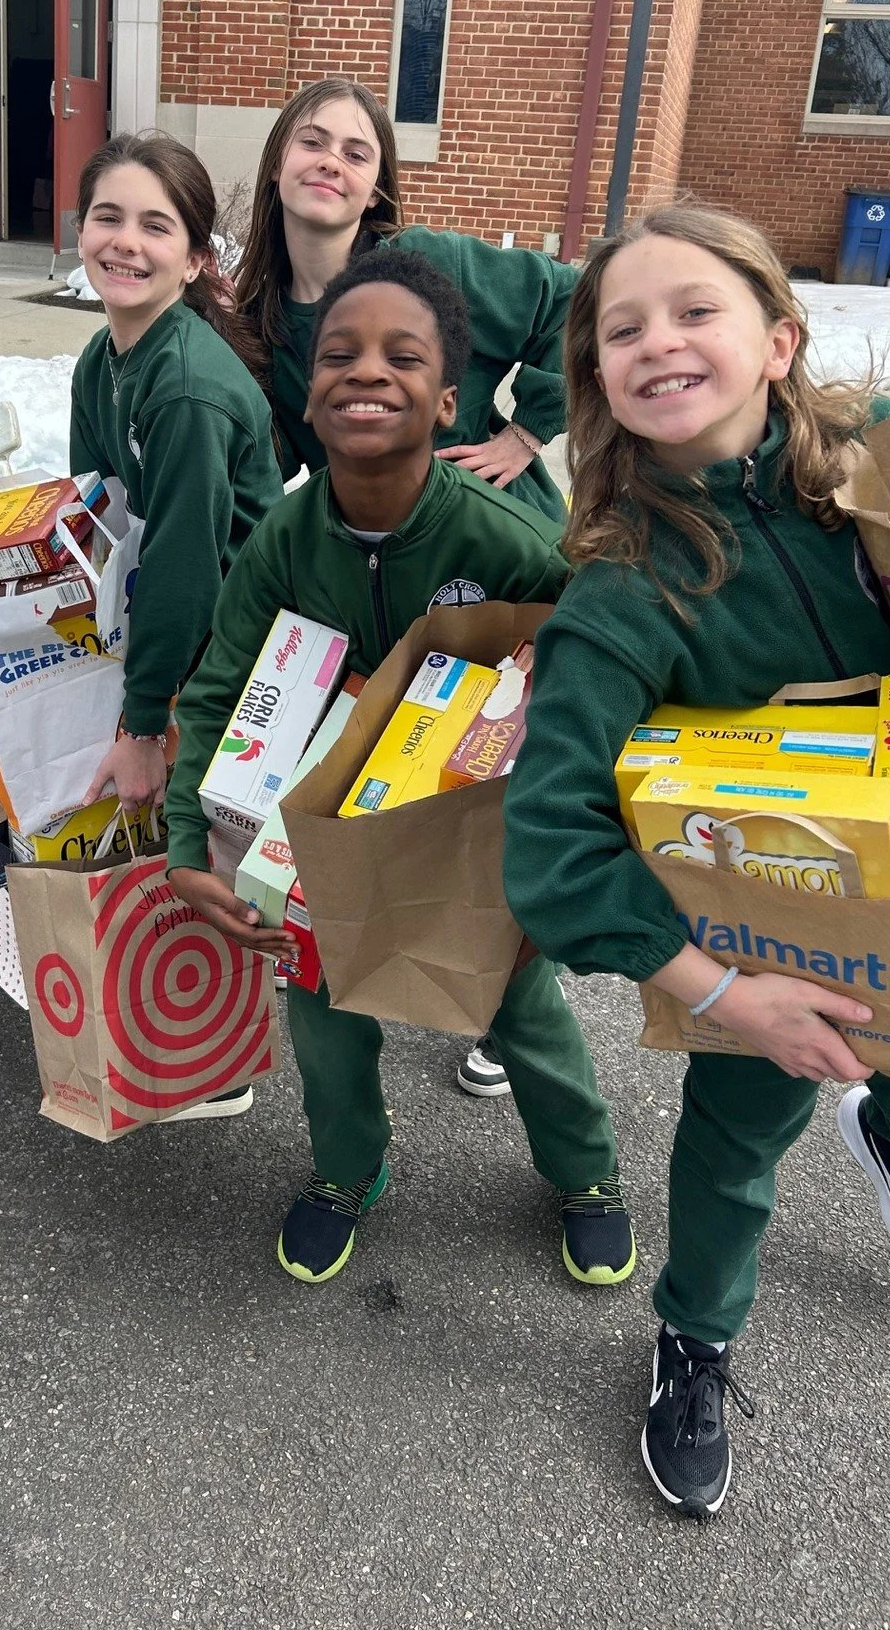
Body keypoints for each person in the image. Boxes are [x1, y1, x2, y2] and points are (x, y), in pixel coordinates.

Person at [502, 203, 890, 1519]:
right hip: (771, 940)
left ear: (778, 339)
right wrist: (723, 993)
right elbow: (550, 850)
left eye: (693, 310)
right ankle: (696, 1341)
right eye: (620, 330)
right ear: (594, 381)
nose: (657, 342)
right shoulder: (626, 593)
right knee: (739, 1139)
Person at [167, 249, 634, 1287]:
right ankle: (348, 1169)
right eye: (339, 352)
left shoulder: (511, 538)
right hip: (323, 830)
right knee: (324, 1014)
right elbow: (215, 692)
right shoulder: (284, 540)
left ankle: (586, 1172)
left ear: (449, 397)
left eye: (401, 356)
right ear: (308, 384)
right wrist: (188, 848)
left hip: (472, 825)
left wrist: (566, 844)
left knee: (519, 1006)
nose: (366, 371)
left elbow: (600, 675)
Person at [233, 76, 576, 1101]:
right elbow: (272, 463)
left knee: (511, 768)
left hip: (486, 547)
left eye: (356, 149)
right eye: (312, 140)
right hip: (381, 565)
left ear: (379, 183)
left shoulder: (430, 270)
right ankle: (416, 955)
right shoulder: (259, 310)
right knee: (419, 764)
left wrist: (528, 427)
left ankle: (519, 982)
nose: (330, 160)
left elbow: (570, 301)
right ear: (278, 163)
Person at [68, 131, 284, 1122]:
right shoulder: (100, 358)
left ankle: (219, 1060)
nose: (125, 241)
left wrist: (146, 717)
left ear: (197, 258)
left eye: (157, 225)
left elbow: (194, 572)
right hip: (158, 622)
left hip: (225, 648)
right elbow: (89, 511)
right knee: (170, 842)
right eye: (108, 216)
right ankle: (166, 1017)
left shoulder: (188, 387)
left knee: (204, 846)